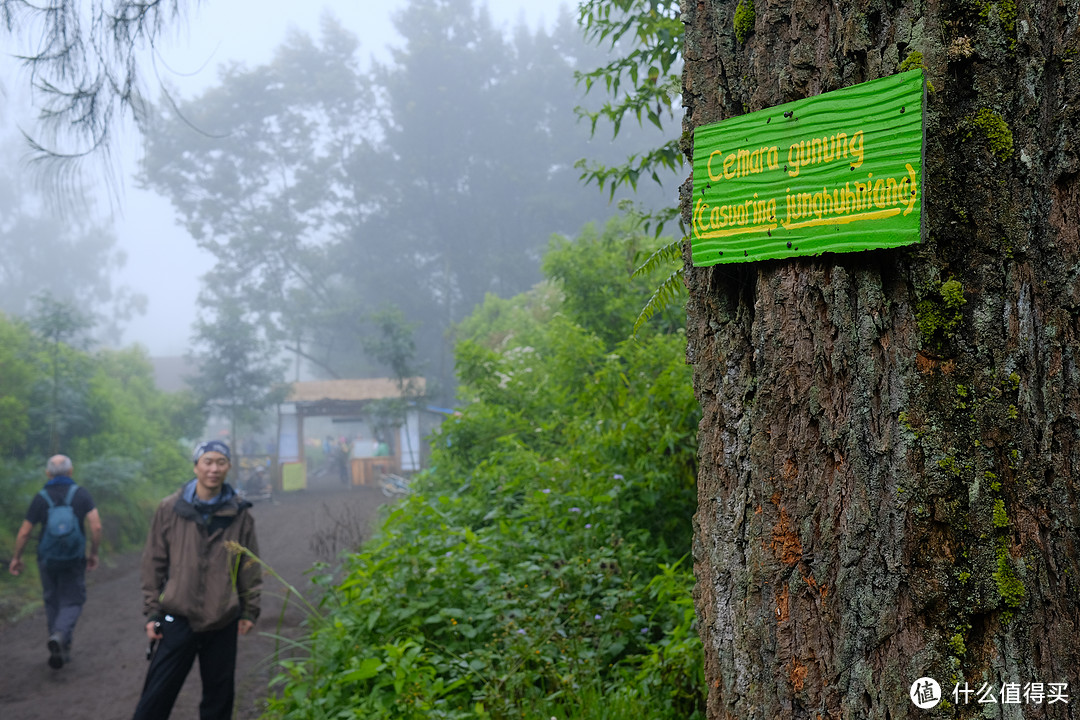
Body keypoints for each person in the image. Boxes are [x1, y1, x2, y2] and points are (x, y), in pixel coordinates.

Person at [132, 440, 262, 720]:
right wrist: (152, 612)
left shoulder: (240, 514)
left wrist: (250, 609)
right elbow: (153, 562)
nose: (214, 469)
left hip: (222, 619)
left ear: (228, 467)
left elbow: (249, 566)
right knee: (156, 695)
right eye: (208, 462)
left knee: (219, 697)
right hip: (176, 616)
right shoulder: (170, 508)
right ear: (196, 466)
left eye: (221, 462)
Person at [8, 454, 102, 669]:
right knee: (73, 600)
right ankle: (61, 637)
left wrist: (17, 558)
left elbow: (24, 533)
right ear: (71, 471)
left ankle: (58, 640)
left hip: (47, 559)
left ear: (48, 474)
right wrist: (94, 553)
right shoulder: (80, 494)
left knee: (52, 600)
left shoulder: (41, 497)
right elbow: (96, 526)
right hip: (74, 559)